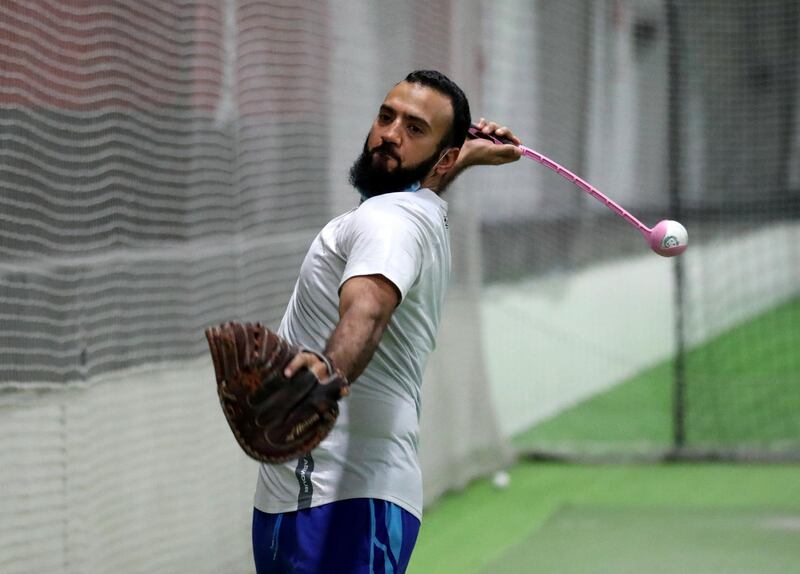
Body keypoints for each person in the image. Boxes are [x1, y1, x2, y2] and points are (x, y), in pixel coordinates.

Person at [251, 70, 521, 574]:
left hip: (337, 498)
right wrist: (468, 156)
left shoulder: (388, 222)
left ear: (441, 156)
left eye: (415, 129)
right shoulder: (410, 210)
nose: (390, 134)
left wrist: (326, 371)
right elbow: (420, 184)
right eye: (386, 116)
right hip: (320, 494)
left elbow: (368, 310)